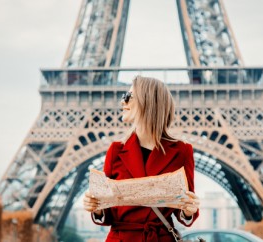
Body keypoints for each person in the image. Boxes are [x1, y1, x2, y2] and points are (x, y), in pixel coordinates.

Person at [83, 76, 200, 242]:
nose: (123, 102)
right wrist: (96, 208)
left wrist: (188, 211)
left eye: (128, 96)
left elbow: (184, 207)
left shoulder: (182, 151)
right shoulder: (116, 150)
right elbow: (107, 213)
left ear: (148, 101)